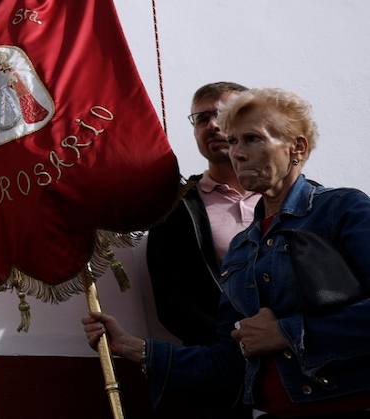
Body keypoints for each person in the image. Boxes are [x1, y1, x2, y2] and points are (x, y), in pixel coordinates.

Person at [83, 88, 370, 417]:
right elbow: (227, 361)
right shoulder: (242, 249)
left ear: (297, 147)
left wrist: (287, 333)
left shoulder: (342, 208)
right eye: (233, 142)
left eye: (252, 139)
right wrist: (135, 348)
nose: (238, 153)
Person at [146, 81, 257, 346]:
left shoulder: (297, 198)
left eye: (224, 114)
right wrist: (234, 344)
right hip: (223, 366)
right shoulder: (176, 206)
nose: (213, 125)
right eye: (202, 118)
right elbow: (171, 302)